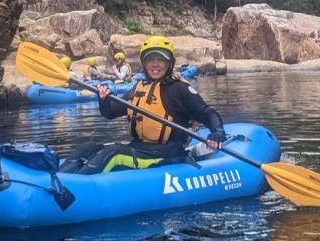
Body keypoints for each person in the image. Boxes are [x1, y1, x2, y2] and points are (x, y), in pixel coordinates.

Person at [60, 36, 226, 174]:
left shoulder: (180, 89)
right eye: (150, 60)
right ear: (144, 63)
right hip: (140, 148)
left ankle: (71, 189)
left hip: (166, 154)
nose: (155, 64)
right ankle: (59, 177)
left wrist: (217, 132)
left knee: (114, 155)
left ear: (170, 63)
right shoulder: (139, 87)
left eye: (161, 59)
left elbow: (208, 114)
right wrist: (103, 99)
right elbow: (110, 113)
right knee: (87, 148)